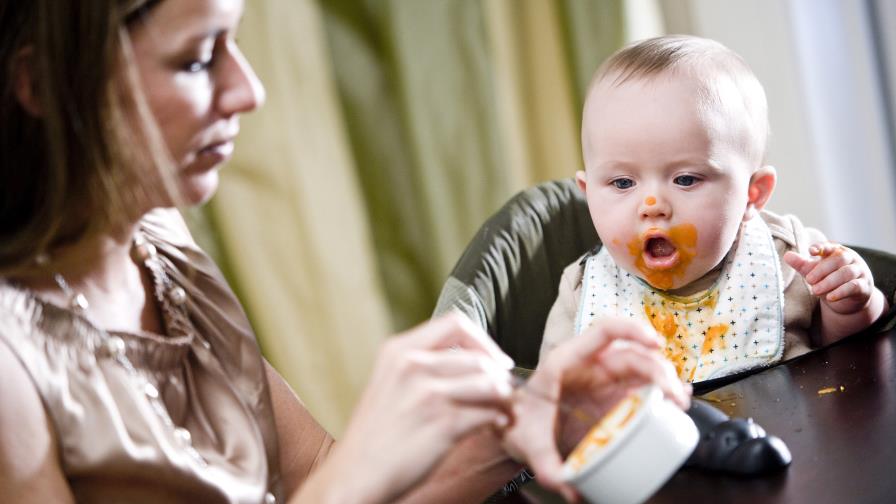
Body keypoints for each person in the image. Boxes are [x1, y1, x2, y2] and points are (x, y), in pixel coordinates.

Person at [0, 1, 690, 503]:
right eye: (197, 59)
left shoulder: (158, 238)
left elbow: (313, 476)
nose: (248, 90)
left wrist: (517, 424)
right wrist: (358, 468)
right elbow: (337, 488)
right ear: (43, 83)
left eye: (235, 43)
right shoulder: (12, 368)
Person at [540, 35, 889, 383]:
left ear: (752, 194)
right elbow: (549, 394)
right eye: (622, 183)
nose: (652, 207)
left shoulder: (789, 256)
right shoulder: (583, 291)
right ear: (588, 193)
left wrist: (850, 306)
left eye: (685, 179)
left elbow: (850, 357)